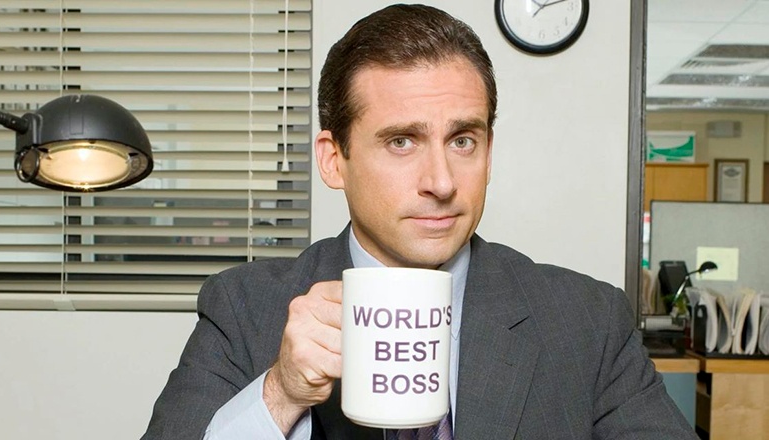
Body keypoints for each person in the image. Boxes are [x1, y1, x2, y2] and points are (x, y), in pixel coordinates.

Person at [142, 4, 696, 439]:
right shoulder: (244, 309)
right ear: (334, 160)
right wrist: (281, 393)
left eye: (463, 140)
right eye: (401, 141)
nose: (442, 181)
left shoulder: (587, 321)